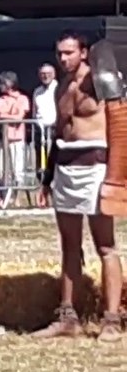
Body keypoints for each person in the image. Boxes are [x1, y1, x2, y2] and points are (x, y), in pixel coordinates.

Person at [33, 32, 124, 341]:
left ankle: (111, 319)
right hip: (66, 170)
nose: (63, 58)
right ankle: (68, 316)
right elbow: (59, 134)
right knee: (69, 246)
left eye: (69, 53)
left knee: (105, 245)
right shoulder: (60, 87)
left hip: (96, 168)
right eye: (59, 53)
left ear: (83, 53)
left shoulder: (101, 80)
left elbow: (120, 126)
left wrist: (117, 176)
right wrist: (46, 178)